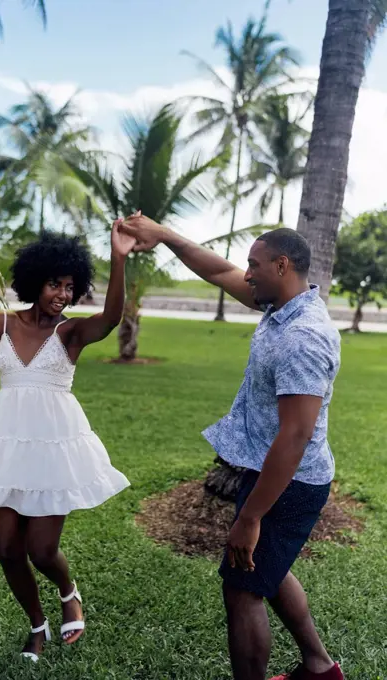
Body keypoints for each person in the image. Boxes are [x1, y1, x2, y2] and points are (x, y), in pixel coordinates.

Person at [119, 215, 344, 680]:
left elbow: (295, 437)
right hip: (272, 472)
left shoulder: (303, 337)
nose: (245, 274)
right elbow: (218, 273)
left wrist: (250, 517)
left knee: (242, 590)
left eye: (254, 265)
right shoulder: (281, 309)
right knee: (269, 570)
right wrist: (164, 235)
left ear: (282, 265)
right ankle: (320, 668)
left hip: (290, 481)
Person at [0, 222, 135, 663]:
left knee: (42, 549)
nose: (63, 295)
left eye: (71, 287)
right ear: (34, 280)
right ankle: (37, 624)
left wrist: (120, 258)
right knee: (9, 550)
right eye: (55, 284)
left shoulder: (70, 334)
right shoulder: (2, 323)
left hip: (54, 447)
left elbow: (110, 318)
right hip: (7, 446)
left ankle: (69, 591)